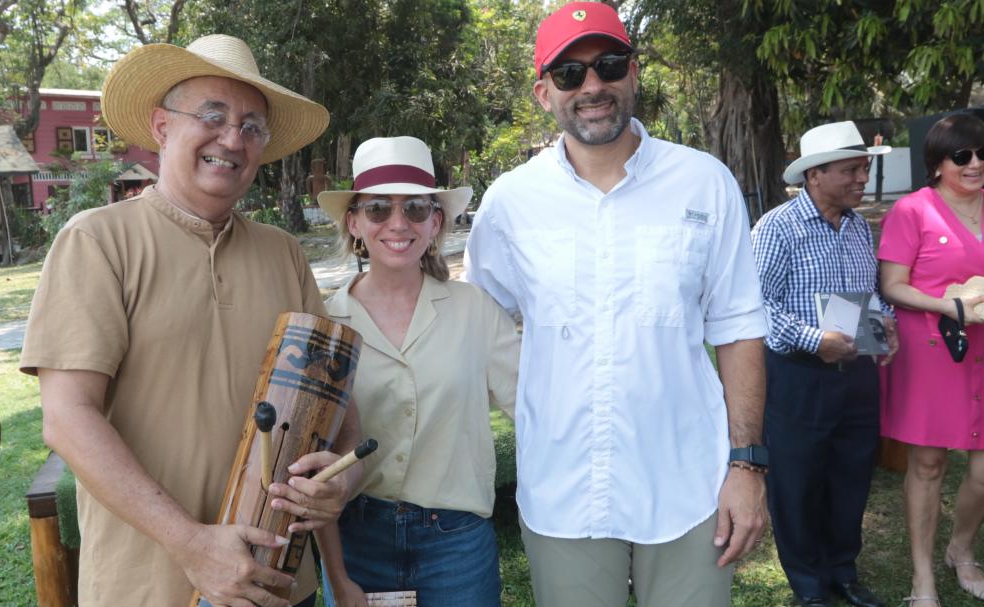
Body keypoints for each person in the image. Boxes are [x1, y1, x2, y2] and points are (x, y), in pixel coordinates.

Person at [19, 35, 362, 607]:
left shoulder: (283, 253)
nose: (233, 138)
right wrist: (191, 543)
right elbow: (67, 418)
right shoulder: (98, 241)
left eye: (253, 126)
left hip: (278, 585)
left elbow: (335, 404)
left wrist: (341, 482)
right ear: (160, 125)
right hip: (148, 589)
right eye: (212, 115)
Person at [463, 4, 768, 606]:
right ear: (543, 93)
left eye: (607, 65)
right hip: (564, 488)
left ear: (633, 72)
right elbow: (475, 322)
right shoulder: (510, 203)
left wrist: (748, 467)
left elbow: (739, 328)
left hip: (688, 485)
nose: (592, 86)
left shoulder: (704, 183)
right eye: (570, 74)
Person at [314, 136, 520, 606]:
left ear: (436, 222)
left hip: (456, 545)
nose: (398, 223)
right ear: (354, 222)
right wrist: (336, 573)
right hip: (356, 540)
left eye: (416, 209)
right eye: (379, 208)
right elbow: (314, 459)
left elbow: (536, 407)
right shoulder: (326, 322)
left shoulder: (475, 311)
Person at [751, 120, 898, 607]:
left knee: (851, 475)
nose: (862, 179)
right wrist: (815, 340)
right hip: (799, 378)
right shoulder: (778, 227)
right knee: (797, 483)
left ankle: (843, 573)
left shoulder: (858, 227)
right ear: (814, 175)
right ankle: (809, 587)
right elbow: (756, 307)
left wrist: (887, 323)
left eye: (863, 169)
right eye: (851, 170)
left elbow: (871, 295)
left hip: (856, 376)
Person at [877, 112, 984, 607]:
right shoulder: (913, 211)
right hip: (934, 348)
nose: (975, 163)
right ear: (938, 163)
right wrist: (947, 305)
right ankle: (923, 579)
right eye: (962, 156)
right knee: (929, 463)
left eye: (982, 153)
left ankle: (960, 549)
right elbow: (892, 286)